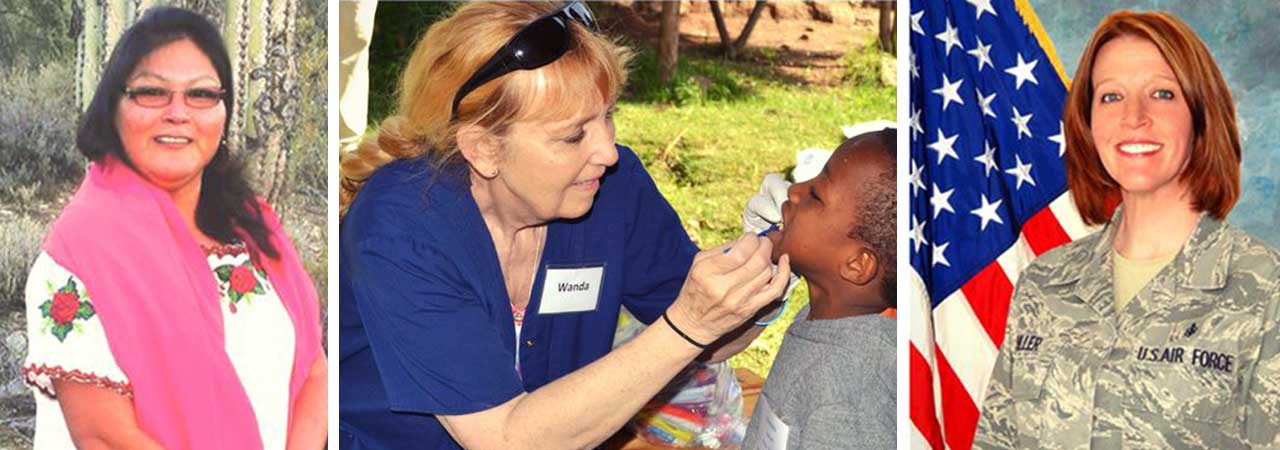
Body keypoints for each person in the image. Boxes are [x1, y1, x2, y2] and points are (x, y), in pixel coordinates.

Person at [337, 2, 791, 449]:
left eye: (608, 115)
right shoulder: (403, 226)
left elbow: (710, 337)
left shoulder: (613, 189)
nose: (608, 151)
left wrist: (779, 254)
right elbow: (504, 439)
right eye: (573, 135)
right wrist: (687, 324)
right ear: (483, 150)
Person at [20, 7, 326, 450]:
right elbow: (106, 437)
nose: (178, 113)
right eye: (151, 93)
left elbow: (314, 367)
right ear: (113, 109)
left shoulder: (253, 227)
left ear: (224, 114)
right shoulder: (78, 255)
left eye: (201, 94)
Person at [973, 10, 1280, 449]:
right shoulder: (1045, 284)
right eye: (1111, 97)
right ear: (1088, 123)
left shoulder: (1266, 289)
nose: (1134, 117)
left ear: (1201, 115)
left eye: (1162, 93)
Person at [741, 128, 897, 450]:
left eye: (816, 195)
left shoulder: (845, 394)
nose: (794, 191)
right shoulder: (823, 321)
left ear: (856, 265)